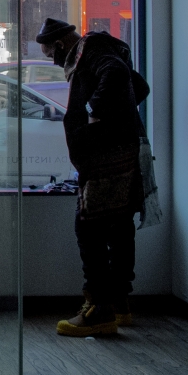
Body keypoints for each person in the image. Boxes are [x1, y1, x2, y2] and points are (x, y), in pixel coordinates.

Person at [36, 17, 150, 338]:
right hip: (122, 151)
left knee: (88, 227)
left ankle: (98, 310)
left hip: (105, 157)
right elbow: (140, 86)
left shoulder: (92, 50)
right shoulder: (101, 49)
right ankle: (119, 303)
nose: (54, 61)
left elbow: (117, 74)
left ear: (60, 44)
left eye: (51, 54)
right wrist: (118, 117)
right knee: (119, 224)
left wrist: (94, 113)